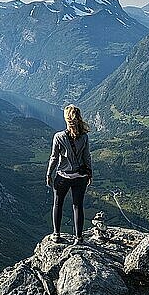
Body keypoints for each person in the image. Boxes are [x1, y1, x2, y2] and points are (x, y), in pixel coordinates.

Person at [46, 104, 93, 245]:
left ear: (66, 119)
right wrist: (90, 173)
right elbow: (87, 157)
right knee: (78, 206)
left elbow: (54, 157)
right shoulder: (84, 137)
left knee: (58, 204)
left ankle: (56, 235)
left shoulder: (58, 137)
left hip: (63, 177)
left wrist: (49, 174)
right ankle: (79, 238)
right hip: (80, 177)